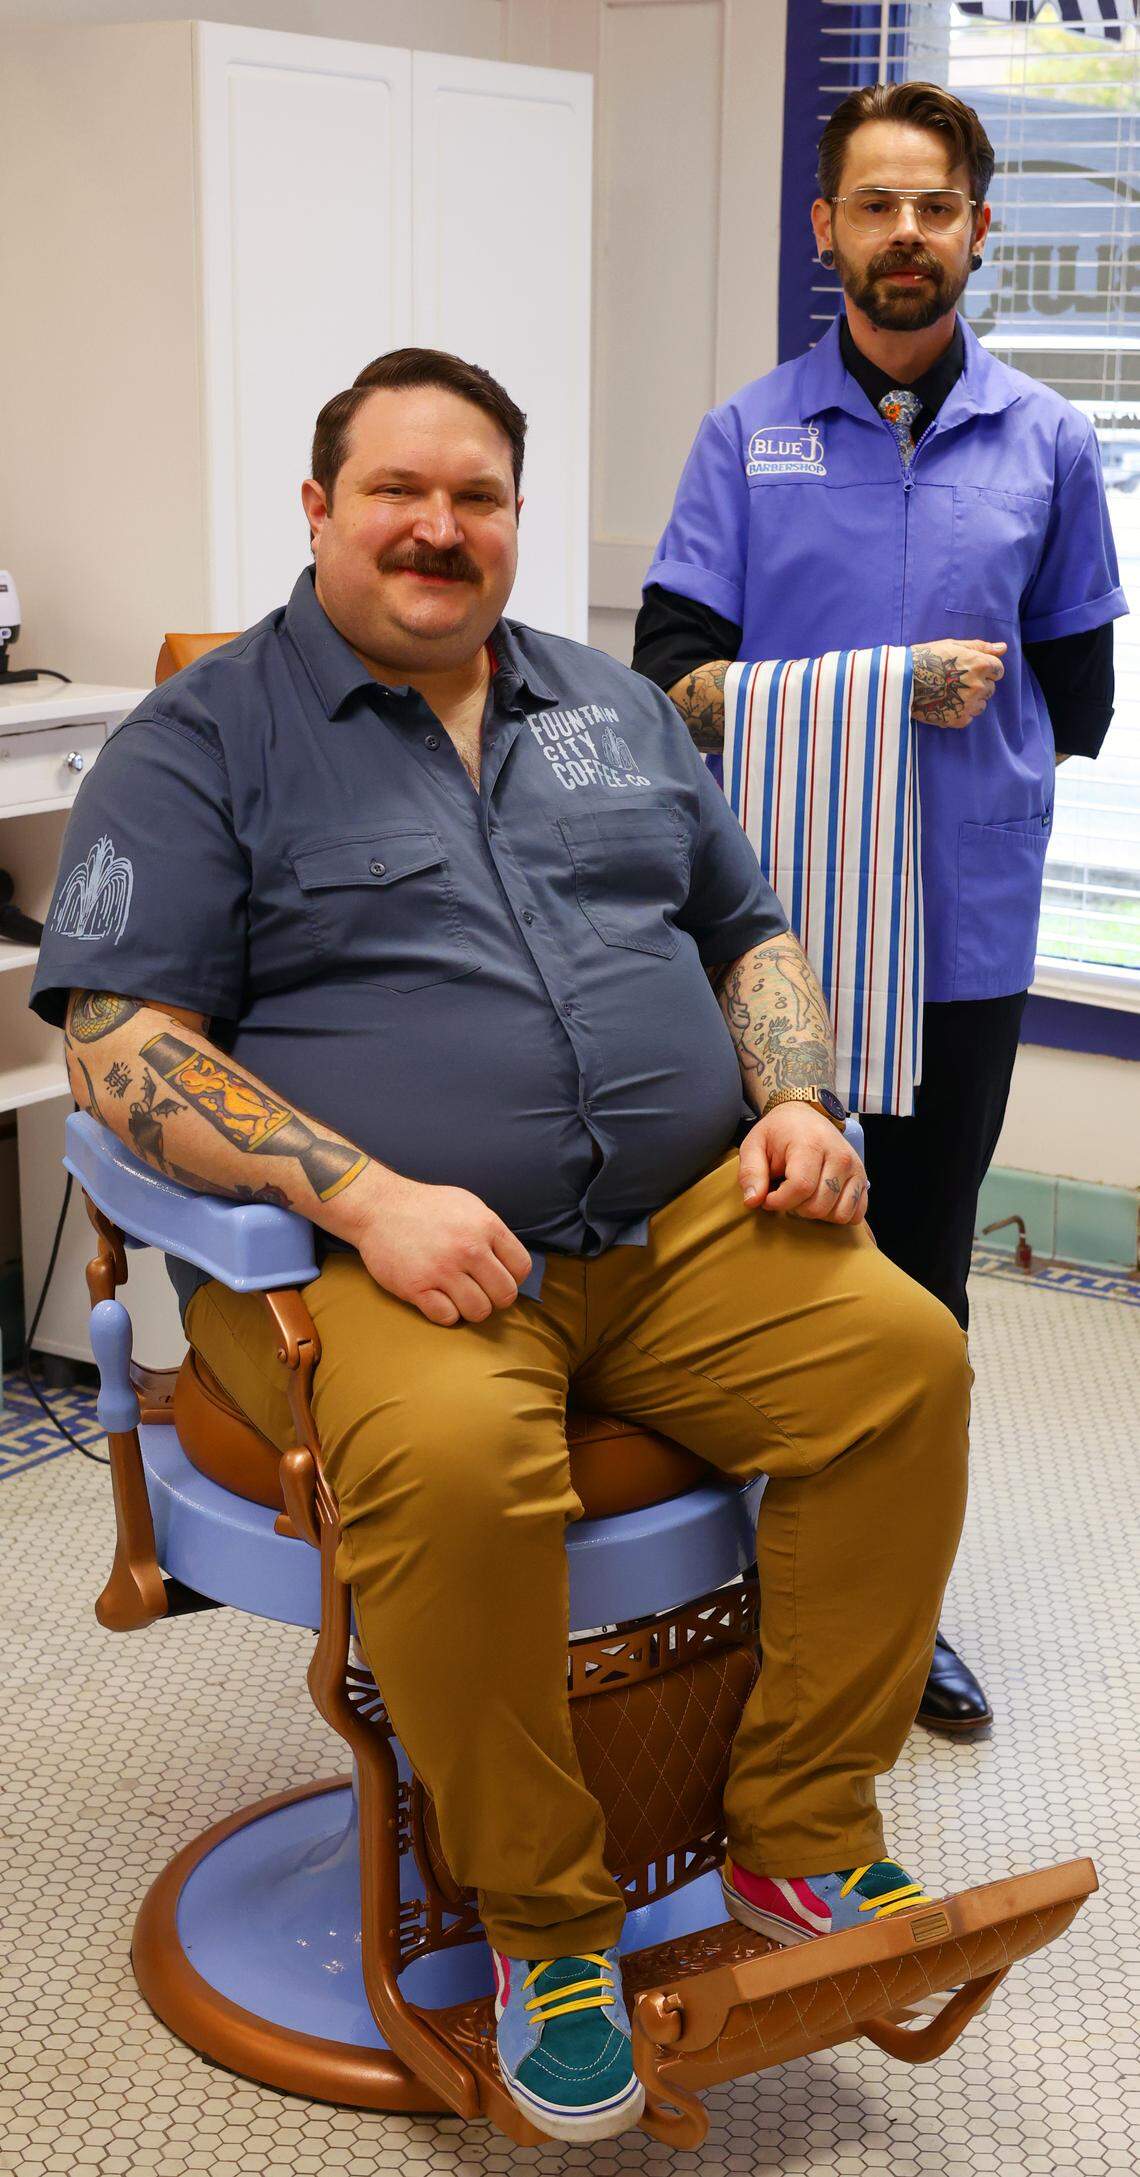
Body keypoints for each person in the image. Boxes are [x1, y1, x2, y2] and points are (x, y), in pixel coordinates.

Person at [33, 348, 972, 2144]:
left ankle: (794, 1837)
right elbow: (120, 1043)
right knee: (464, 1461)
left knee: (903, 1362)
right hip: (373, 1263)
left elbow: (750, 925)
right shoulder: (205, 738)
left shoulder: (615, 706)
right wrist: (366, 1193)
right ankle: (549, 1928)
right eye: (398, 490)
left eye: (478, 495)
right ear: (319, 510)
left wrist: (798, 1098)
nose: (437, 527)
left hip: (690, 1229)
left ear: (519, 520)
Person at [634, 80, 1126, 1740]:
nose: (903, 235)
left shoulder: (1050, 443)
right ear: (825, 228)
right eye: (874, 205)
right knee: (748, 1262)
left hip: (966, 937)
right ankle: (716, 1595)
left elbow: (1084, 701)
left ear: (979, 232)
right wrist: (870, 695)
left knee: (918, 1281)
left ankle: (893, 1618)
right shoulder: (748, 435)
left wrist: (949, 773)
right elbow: (665, 691)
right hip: (765, 941)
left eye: (936, 207)